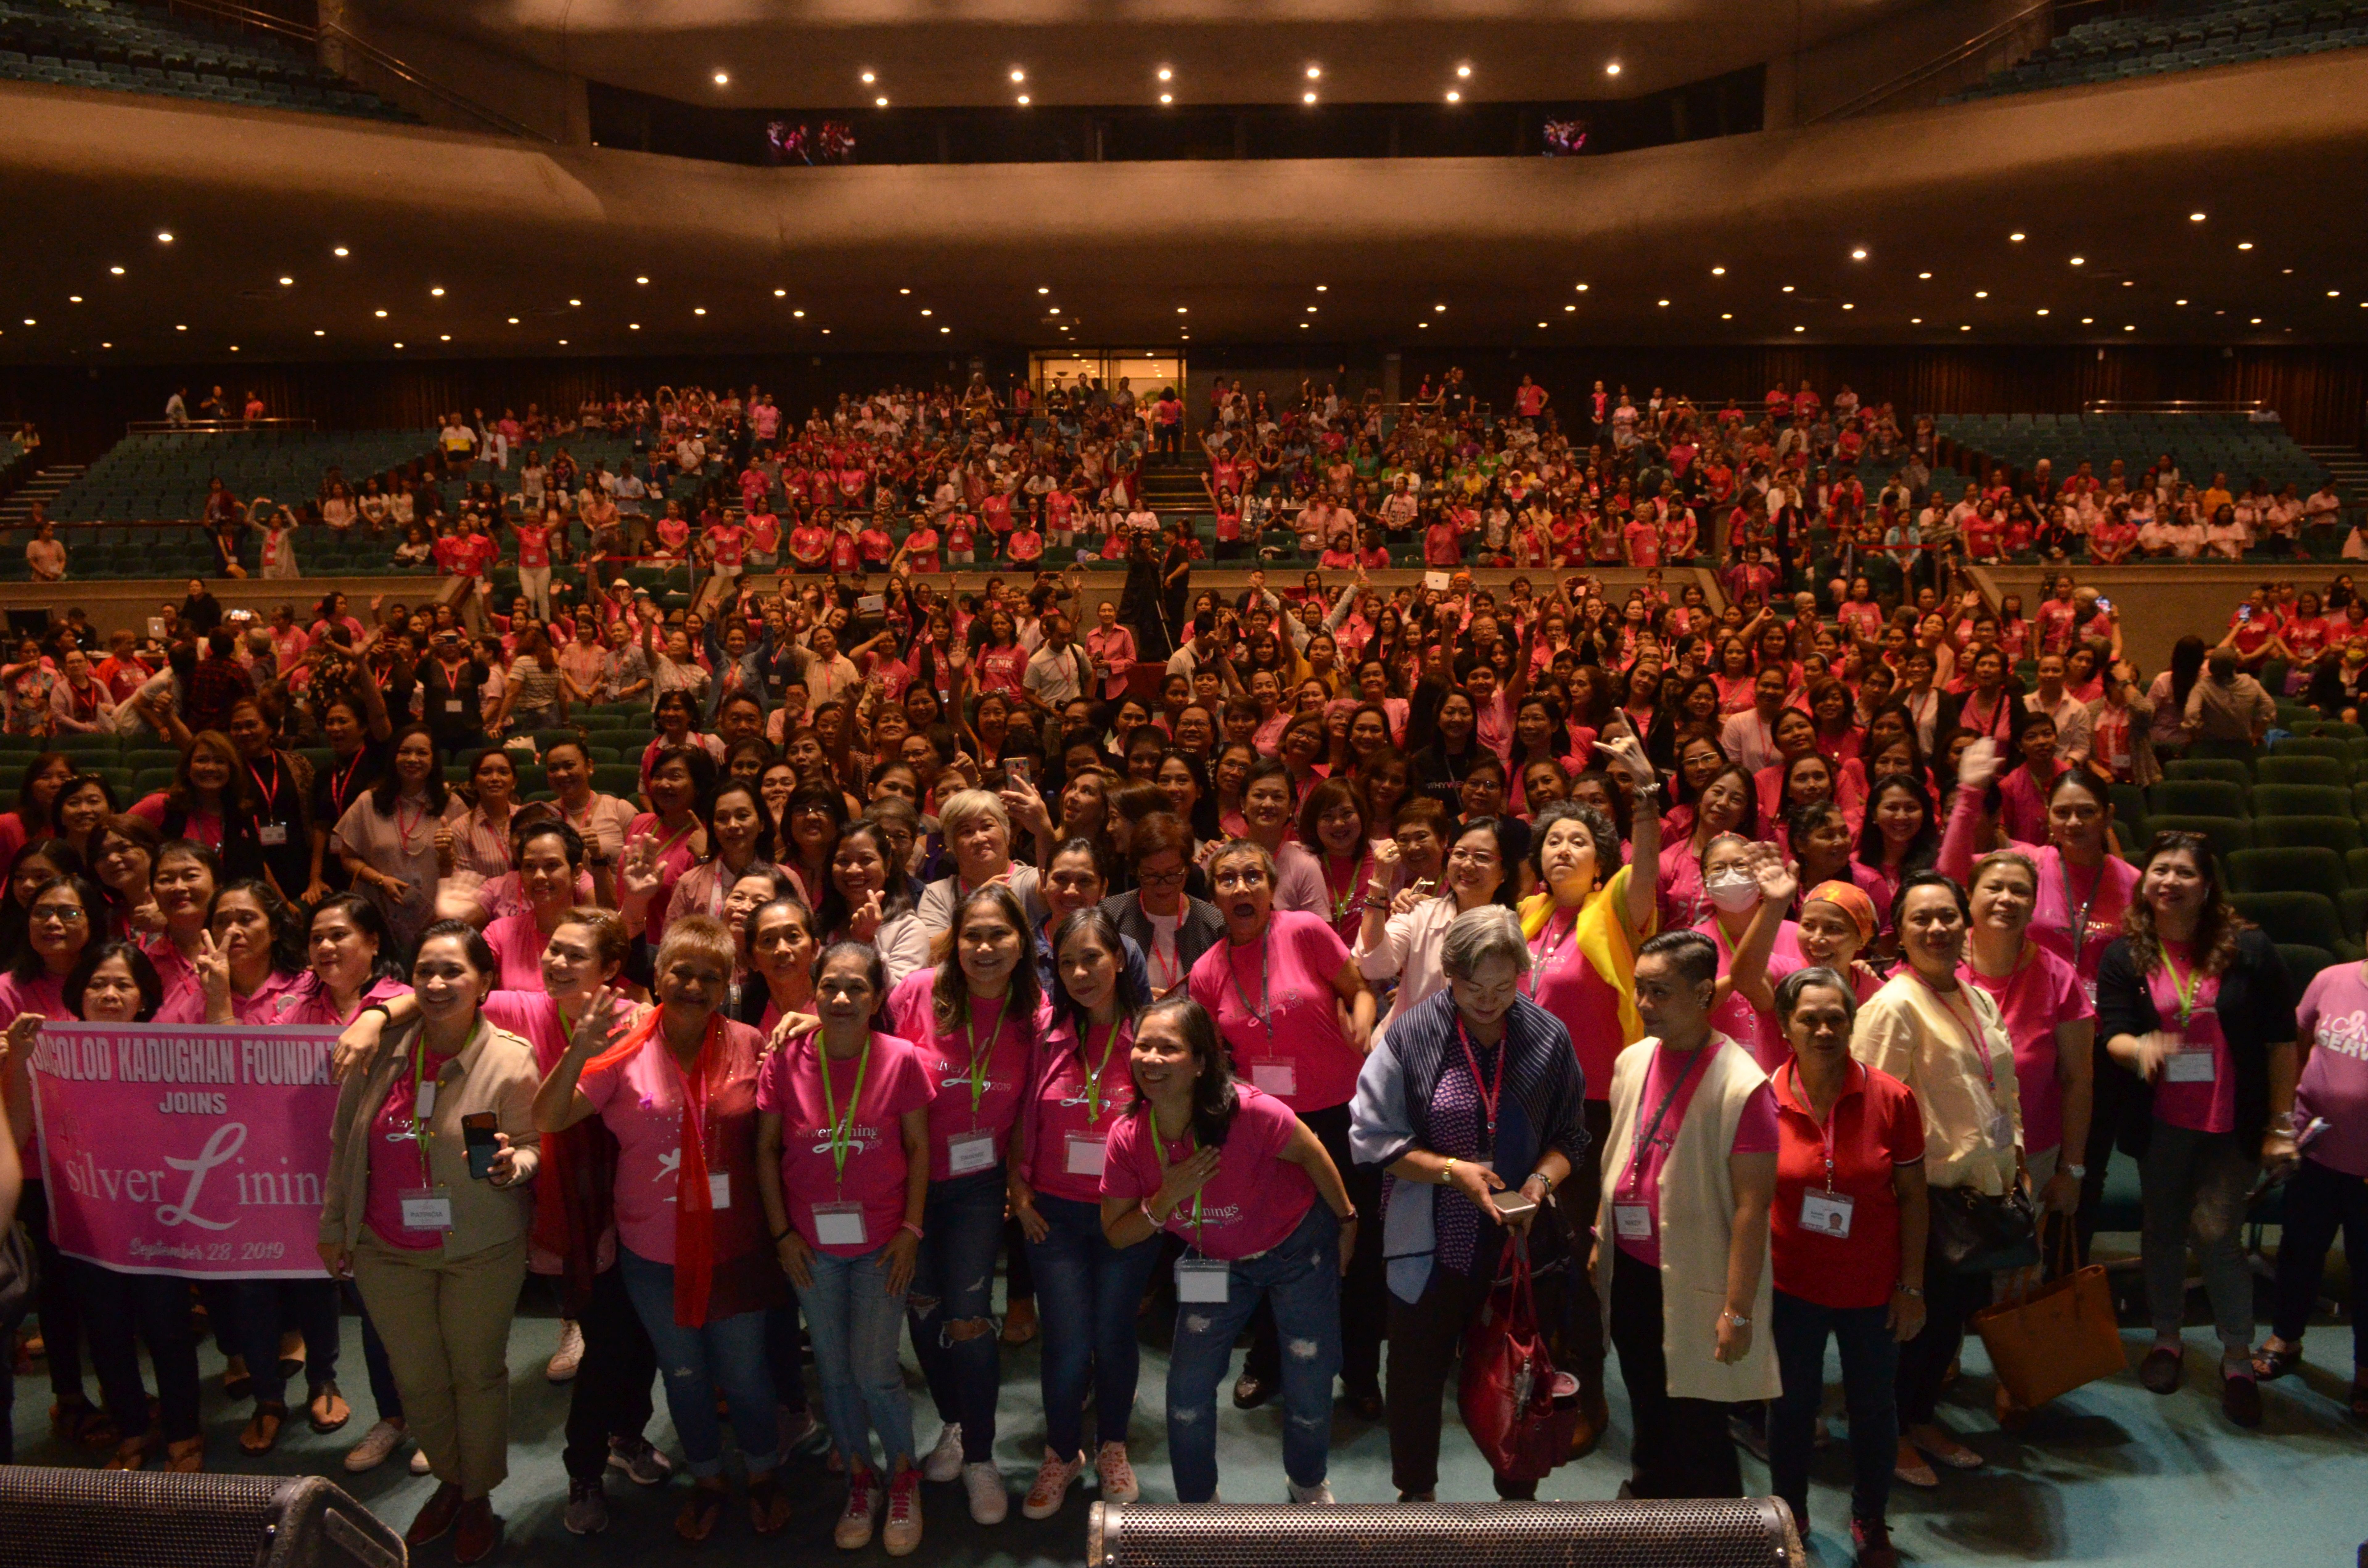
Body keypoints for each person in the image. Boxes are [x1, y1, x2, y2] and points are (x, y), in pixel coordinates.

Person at [534, 916, 792, 1538]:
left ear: (728, 984)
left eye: (711, 976)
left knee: (746, 1375)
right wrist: (579, 1048)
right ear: (658, 974)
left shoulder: (752, 1042)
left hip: (737, 1246)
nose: (695, 986)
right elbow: (549, 1114)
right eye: (682, 971)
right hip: (652, 1253)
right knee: (684, 1374)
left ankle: (762, 1473)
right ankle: (707, 1479)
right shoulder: (624, 1045)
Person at [319, 920, 542, 1563]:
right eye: (426, 971)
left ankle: (477, 1496)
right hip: (385, 1247)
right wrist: (334, 1226)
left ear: (485, 982)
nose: (438, 983)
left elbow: (530, 1145)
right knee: (417, 1377)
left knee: (476, 1374)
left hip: (480, 1245)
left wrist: (514, 1166)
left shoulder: (510, 1057)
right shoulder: (383, 1046)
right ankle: (451, 1477)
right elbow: (344, 1144)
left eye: (454, 971)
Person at [1349, 906, 1589, 1501]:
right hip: (1429, 1241)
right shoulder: (1410, 1034)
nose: (1488, 1001)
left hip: (1517, 1244)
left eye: (1504, 987)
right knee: (1415, 1376)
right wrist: (1453, 1172)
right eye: (1473, 986)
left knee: (1521, 1371)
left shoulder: (1547, 1036)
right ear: (1449, 973)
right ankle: (1416, 1496)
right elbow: (1372, 1139)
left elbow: (1572, 1136)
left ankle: (1518, 1497)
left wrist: (1539, 1182)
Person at [1099, 996, 1359, 1505]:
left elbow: (1311, 1151)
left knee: (1309, 1377)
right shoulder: (1128, 1137)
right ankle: (1199, 1505)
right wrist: (1165, 1198)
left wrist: (1347, 1219)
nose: (1151, 1058)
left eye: (1169, 1048)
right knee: (1187, 1390)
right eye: (1143, 1046)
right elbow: (1118, 1232)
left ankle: (1307, 1483)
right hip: (1212, 1258)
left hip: (1295, 1248)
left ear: (1201, 1062)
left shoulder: (1249, 1111)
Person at [2096, 832, 2298, 1429]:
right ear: (2144, 882)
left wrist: (2280, 1122)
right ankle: (2167, 1339)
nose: (2171, 881)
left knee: (2216, 1234)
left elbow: (2282, 1042)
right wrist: (2140, 1048)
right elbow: (2113, 1032)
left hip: (2233, 1120)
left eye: (2185, 872)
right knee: (2161, 1230)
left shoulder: (2251, 949)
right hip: (2161, 1120)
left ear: (2207, 886)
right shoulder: (2125, 954)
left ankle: (2237, 1357)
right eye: (2160, 870)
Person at [1188, 838, 1380, 1415]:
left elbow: (1359, 989)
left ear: (1272, 886)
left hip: (1341, 1114)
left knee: (1354, 1243)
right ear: (1215, 895)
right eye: (1228, 878)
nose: (1242, 887)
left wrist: (1362, 1025)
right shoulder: (1206, 970)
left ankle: (1361, 1374)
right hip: (1269, 1129)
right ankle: (1266, 1363)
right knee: (1275, 1244)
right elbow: (1212, 1059)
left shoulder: (1305, 931)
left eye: (1253, 875)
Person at [755, 941, 935, 1555]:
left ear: (878, 996)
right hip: (811, 1247)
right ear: (814, 991)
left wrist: (912, 1230)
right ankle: (861, 1477)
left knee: (875, 1370)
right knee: (832, 1372)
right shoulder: (786, 1059)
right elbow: (766, 1149)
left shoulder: (900, 1058)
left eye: (857, 987)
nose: (841, 997)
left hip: (884, 1244)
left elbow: (919, 1148)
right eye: (830, 985)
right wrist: (782, 1234)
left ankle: (903, 1475)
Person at [1850, 873, 2025, 1484]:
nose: (1937, 928)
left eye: (1947, 915)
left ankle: (1922, 1418)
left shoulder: (1977, 998)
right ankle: (1891, 1433)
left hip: (1978, 1192)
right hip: (1920, 1199)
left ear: (1964, 922)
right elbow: (1871, 1114)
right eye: (1921, 918)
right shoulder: (1893, 1005)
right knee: (1910, 1326)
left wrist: (2016, 1157)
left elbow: (2003, 1086)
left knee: (1948, 1323)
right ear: (1900, 932)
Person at [1597, 929, 1779, 1500]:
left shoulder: (1743, 1085)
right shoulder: (1633, 1060)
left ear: (1704, 994)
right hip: (1633, 1267)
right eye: (1640, 988)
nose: (1644, 1003)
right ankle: (1649, 1496)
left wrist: (1739, 1309)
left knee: (1699, 1422)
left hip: (1700, 1274)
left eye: (1661, 991)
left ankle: (1721, 1528)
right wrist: (1602, 1239)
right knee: (1646, 1398)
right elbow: (1621, 1156)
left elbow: (1753, 1207)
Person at [883, 884, 1043, 1524]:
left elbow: (1029, 1108)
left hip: (979, 1185)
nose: (984, 947)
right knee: (923, 1309)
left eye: (999, 934)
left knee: (970, 1316)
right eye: (972, 934)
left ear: (1021, 943)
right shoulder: (916, 992)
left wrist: (1018, 1178)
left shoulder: (1035, 1013)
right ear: (955, 941)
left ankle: (981, 1454)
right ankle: (953, 1421)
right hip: (909, 1179)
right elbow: (869, 1056)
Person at [1766, 968, 1926, 1568]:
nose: (1824, 1030)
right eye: (1809, 1018)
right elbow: (1748, 1200)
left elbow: (1914, 1198)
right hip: (1791, 1286)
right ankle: (1790, 1514)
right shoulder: (1761, 1099)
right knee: (1791, 1409)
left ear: (1853, 1023)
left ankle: (1870, 1517)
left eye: (1836, 1017)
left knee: (1874, 1409)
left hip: (1872, 1288)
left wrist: (1912, 1285)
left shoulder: (1894, 1099)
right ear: (1786, 1026)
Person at [1009, 907, 1160, 1516]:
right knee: (1068, 1343)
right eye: (1067, 962)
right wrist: (1019, 1192)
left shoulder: (1150, 1035)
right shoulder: (1044, 1034)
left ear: (1120, 959)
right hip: (1055, 1217)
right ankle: (1062, 1451)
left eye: (1092, 957)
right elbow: (1020, 1115)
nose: (1079, 973)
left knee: (1113, 1334)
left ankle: (1112, 1446)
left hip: (1128, 1216)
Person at [2253, 949, 2368, 1422]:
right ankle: (2286, 1337)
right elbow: (2296, 1049)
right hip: (2317, 1151)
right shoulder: (2331, 979)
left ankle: (2366, 1369)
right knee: (2300, 1250)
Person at [331, 726, 446, 955]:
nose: (412, 759)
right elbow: (348, 859)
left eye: (422, 753)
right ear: (394, 757)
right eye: (405, 752)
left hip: (434, 917)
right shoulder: (368, 802)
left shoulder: (451, 805)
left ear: (434, 760)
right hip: (379, 912)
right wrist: (380, 880)